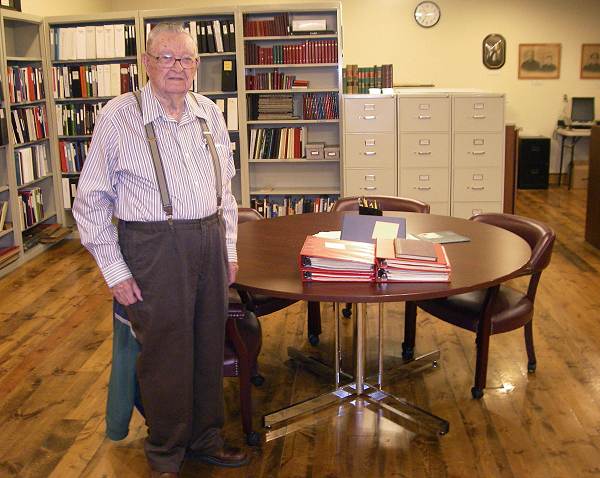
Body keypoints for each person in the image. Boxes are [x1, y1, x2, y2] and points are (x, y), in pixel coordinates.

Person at [73, 22, 248, 477]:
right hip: (153, 246)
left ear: (197, 66)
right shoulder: (119, 115)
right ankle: (166, 452)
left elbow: (225, 191)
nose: (177, 67)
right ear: (147, 63)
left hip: (209, 239)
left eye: (186, 59)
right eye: (166, 57)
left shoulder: (209, 111)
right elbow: (90, 201)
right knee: (166, 354)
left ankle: (205, 437)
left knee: (208, 345)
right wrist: (114, 269)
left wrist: (228, 248)